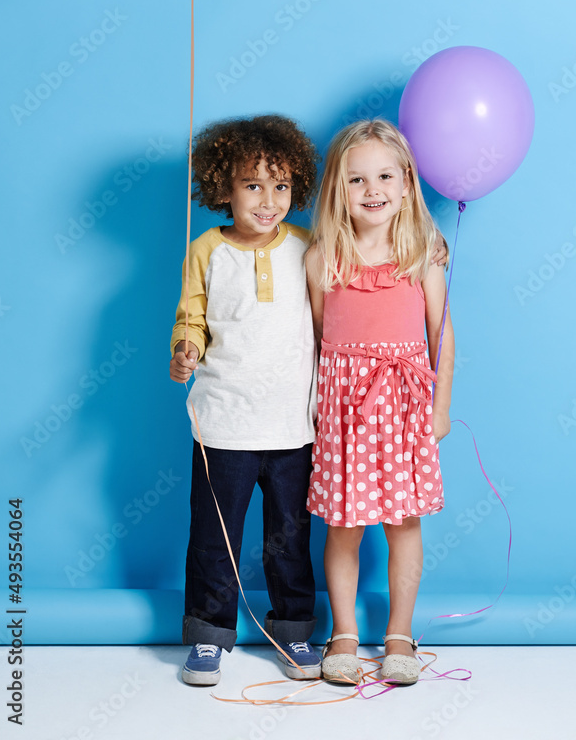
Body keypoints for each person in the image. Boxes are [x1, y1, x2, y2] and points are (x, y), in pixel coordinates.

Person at [169, 114, 323, 686]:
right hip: (224, 424)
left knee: (290, 539)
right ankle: (209, 637)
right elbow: (191, 317)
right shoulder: (207, 249)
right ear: (223, 188)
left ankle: (296, 631)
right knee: (214, 537)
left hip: (293, 428)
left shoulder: (308, 246)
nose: (269, 200)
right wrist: (185, 349)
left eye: (280, 186)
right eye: (253, 185)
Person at [305, 118, 454, 686]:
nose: (373, 190)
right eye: (357, 179)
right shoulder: (325, 258)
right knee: (343, 528)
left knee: (403, 524)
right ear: (337, 190)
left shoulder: (423, 252)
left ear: (407, 180)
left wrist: (439, 409)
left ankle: (398, 634)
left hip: (406, 404)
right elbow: (319, 340)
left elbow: (442, 336)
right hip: (346, 409)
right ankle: (342, 632)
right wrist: (320, 404)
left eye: (385, 176)